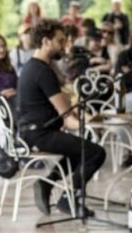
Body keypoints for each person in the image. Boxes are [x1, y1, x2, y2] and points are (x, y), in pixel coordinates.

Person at [18, 20, 107, 216]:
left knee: (78, 151)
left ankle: (46, 183)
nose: (64, 45)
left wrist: (86, 119)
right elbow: (67, 116)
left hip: (31, 131)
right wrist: (89, 123)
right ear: (45, 41)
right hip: (39, 134)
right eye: (60, 41)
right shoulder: (43, 72)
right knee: (95, 153)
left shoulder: (31, 67)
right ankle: (68, 199)